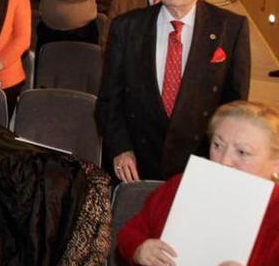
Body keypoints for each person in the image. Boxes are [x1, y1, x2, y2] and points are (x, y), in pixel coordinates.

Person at [97, 0, 251, 181]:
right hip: (136, 164)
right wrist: (120, 149)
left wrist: (221, 162)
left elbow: (235, 106)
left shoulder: (229, 29)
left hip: (199, 161)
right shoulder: (127, 27)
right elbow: (109, 99)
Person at [117, 101, 279, 265]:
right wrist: (139, 249)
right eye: (217, 145)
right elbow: (131, 232)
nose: (224, 160)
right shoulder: (182, 184)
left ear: (276, 163)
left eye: (243, 152)